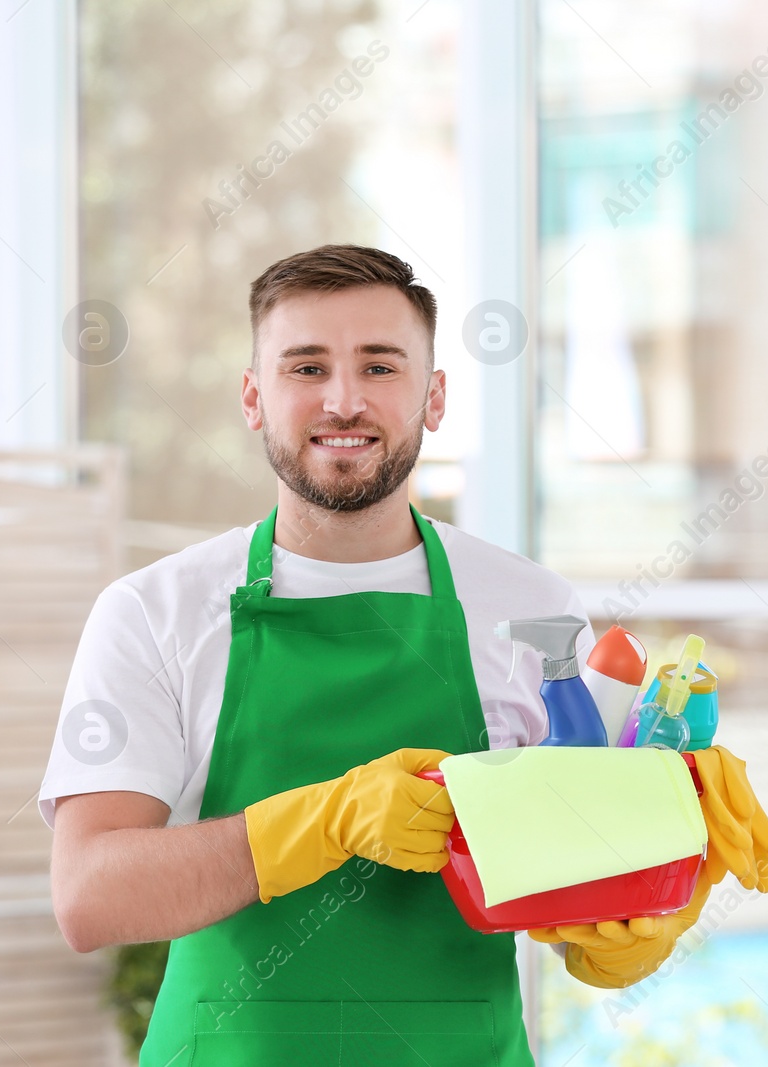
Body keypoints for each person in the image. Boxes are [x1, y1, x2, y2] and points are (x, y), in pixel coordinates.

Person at [41, 244, 710, 1066]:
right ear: (254, 397)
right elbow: (89, 896)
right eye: (307, 366)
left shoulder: (532, 608)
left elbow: (569, 874)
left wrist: (621, 927)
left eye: (381, 366)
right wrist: (325, 818)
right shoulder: (153, 612)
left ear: (433, 398)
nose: (344, 399)